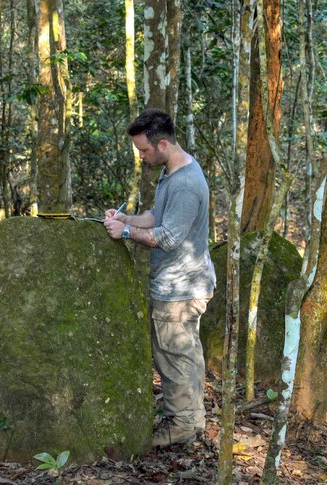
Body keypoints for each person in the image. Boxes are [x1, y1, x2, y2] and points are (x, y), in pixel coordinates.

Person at [103, 108, 216, 448]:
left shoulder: (185, 184)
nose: (142, 156)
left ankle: (181, 427)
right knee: (186, 354)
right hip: (183, 284)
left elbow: (167, 237)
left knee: (173, 357)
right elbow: (157, 217)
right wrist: (128, 219)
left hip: (179, 289)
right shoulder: (174, 170)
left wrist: (124, 233)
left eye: (144, 151)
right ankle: (192, 419)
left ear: (162, 144)